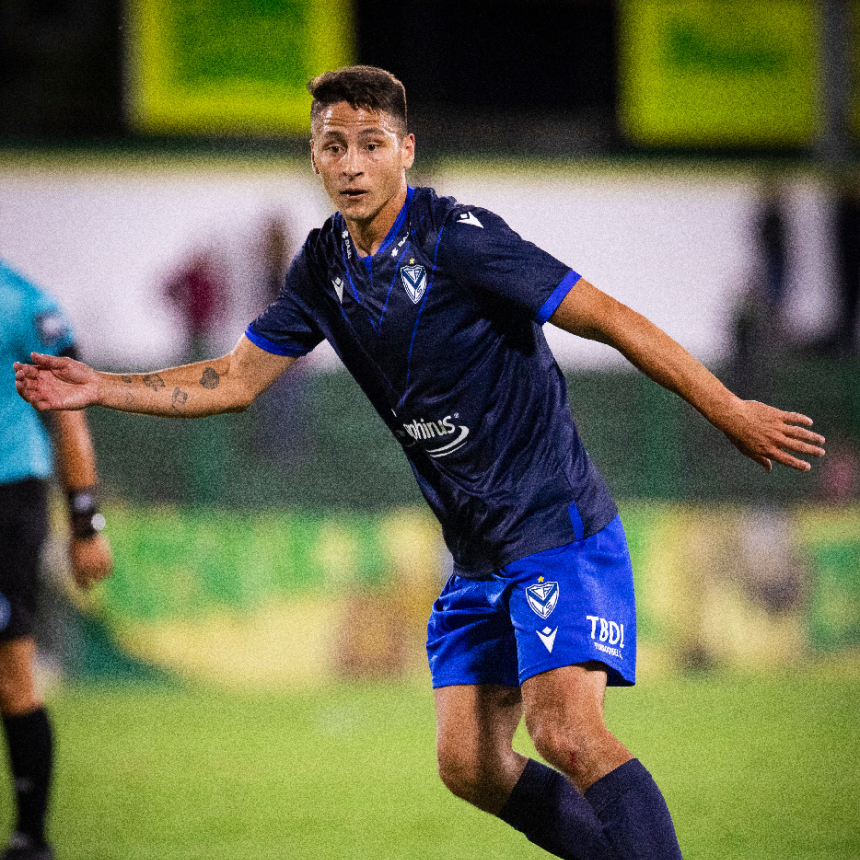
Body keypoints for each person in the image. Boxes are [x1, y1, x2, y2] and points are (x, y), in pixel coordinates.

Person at [14, 66, 825, 859]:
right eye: (334, 145)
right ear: (314, 158)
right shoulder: (323, 268)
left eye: (371, 144)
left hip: (556, 529)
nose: (352, 164)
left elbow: (606, 316)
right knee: (468, 764)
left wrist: (728, 408)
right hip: (476, 555)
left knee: (565, 732)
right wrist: (100, 386)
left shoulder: (458, 238)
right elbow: (233, 379)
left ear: (405, 150)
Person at [1, 261, 112, 860]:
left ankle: (30, 838)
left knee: (11, 672)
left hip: (8, 497)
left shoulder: (24, 304)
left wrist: (85, 522)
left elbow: (70, 411)